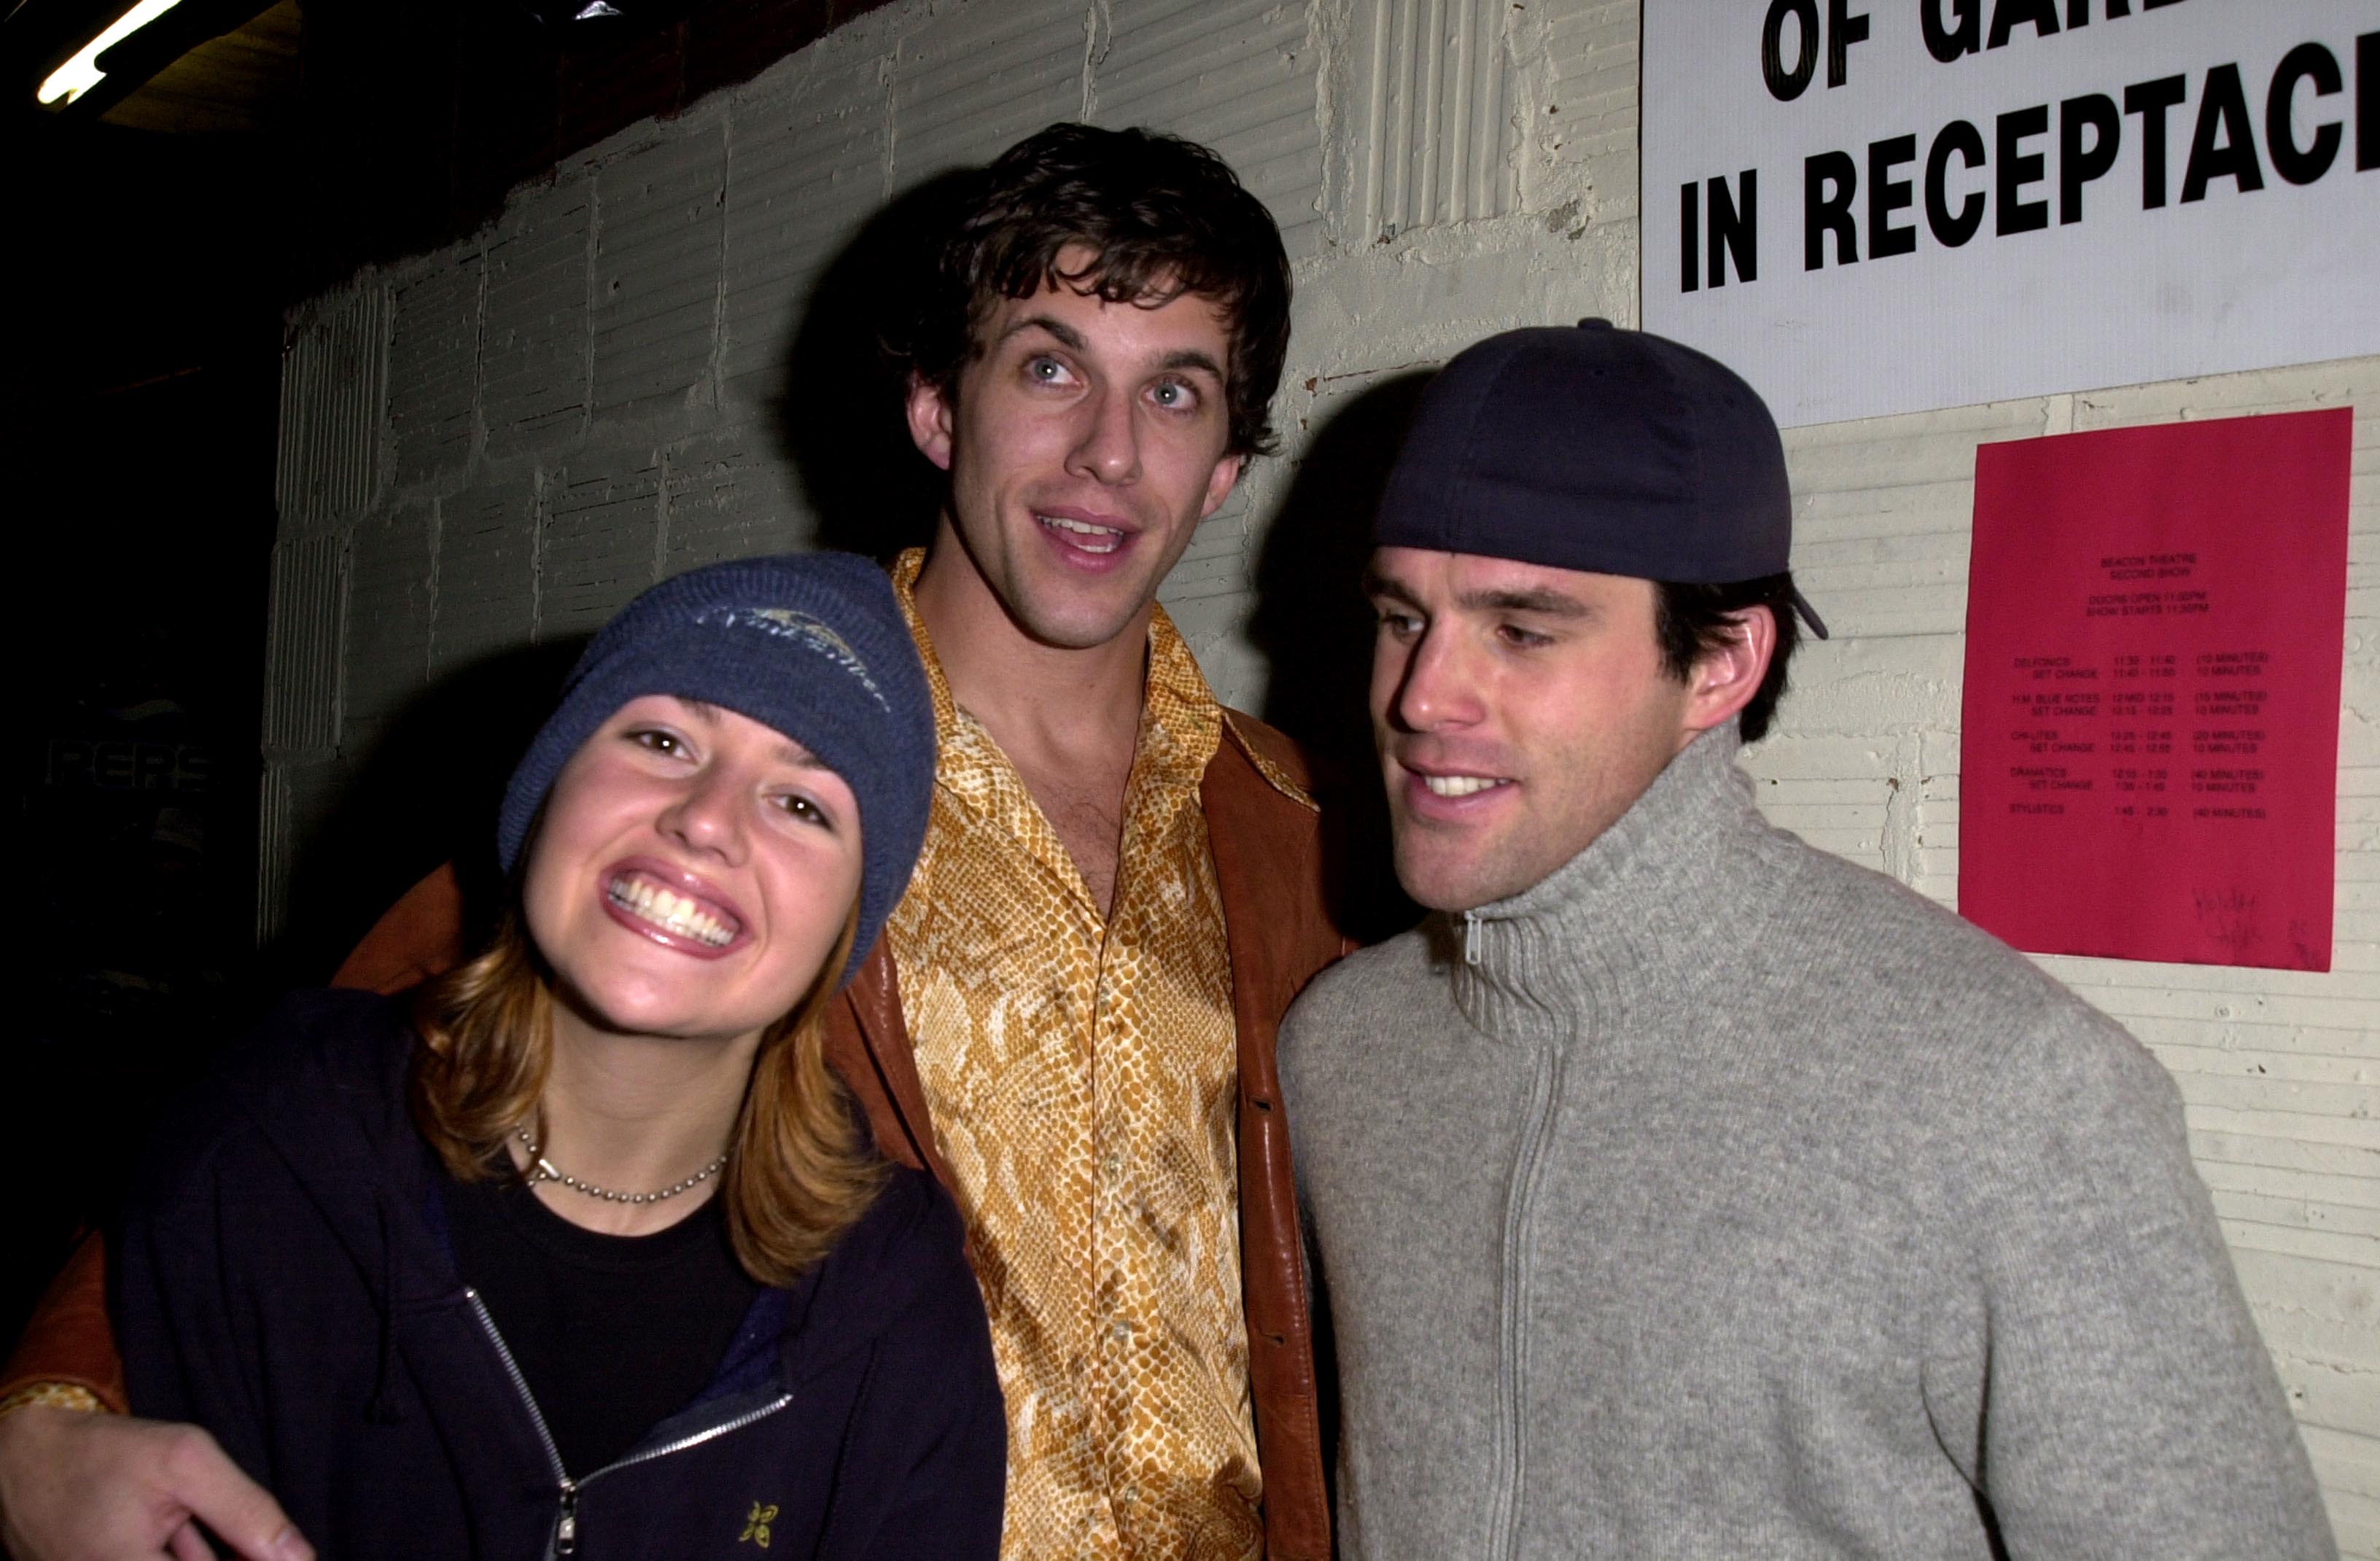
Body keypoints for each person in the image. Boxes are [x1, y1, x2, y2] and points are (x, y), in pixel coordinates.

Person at [0, 123, 1345, 1561]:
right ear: (941, 409)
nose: (1107, 453)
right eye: (1050, 364)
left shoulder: (1299, 828)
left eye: (1176, 392)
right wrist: (49, 1413)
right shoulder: (731, 758)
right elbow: (357, 1096)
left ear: (1223, 470)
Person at [1279, 321, 2336, 1558]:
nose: (1419, 697)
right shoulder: (1341, 1054)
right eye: (1404, 618)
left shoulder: (2013, 1095)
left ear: (1722, 661)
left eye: (1522, 630)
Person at [108, 554, 1004, 1559]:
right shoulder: (273, 1147)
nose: (705, 821)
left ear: (847, 923)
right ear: (545, 790)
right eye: (662, 739)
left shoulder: (894, 1303)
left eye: (803, 804)